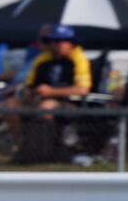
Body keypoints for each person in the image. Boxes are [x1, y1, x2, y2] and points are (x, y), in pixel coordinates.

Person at [12, 24, 92, 163]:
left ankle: (42, 152)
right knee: (11, 104)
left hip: (71, 104)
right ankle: (22, 148)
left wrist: (51, 92)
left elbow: (82, 89)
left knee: (46, 105)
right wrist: (29, 94)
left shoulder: (77, 58)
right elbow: (29, 85)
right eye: (54, 41)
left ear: (70, 42)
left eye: (61, 41)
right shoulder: (43, 59)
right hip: (40, 100)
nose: (57, 45)